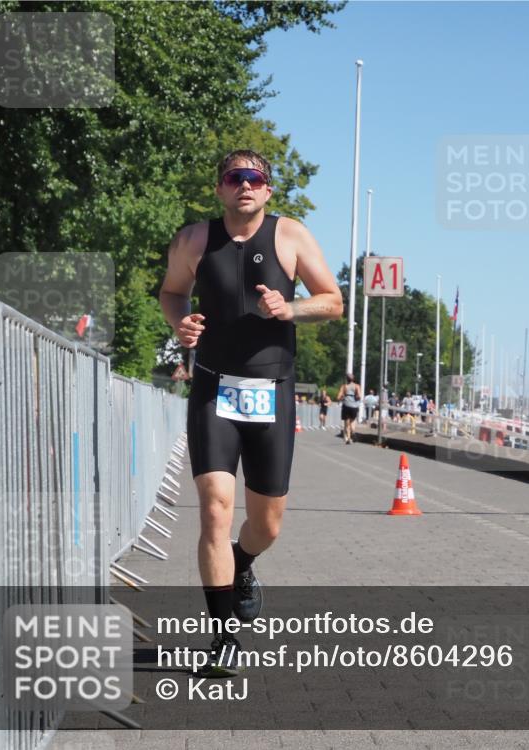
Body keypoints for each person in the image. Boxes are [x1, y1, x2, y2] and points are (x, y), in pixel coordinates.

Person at [159, 149, 342, 677]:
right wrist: (181, 324)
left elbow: (332, 300)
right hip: (214, 389)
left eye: (255, 179)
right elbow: (172, 293)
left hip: (272, 392)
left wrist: (291, 308)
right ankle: (223, 635)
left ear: (268, 190)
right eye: (234, 178)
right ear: (219, 188)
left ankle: (243, 562)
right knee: (215, 505)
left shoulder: (291, 236)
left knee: (267, 524)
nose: (245, 186)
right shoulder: (194, 240)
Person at [337, 373, 362, 444]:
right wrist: (354, 397)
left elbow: (338, 397)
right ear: (353, 379)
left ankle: (348, 438)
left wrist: (342, 398)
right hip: (354, 406)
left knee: (347, 423)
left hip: (346, 406)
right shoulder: (357, 386)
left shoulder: (344, 386)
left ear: (346, 379)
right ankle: (353, 432)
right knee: (353, 421)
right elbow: (359, 396)